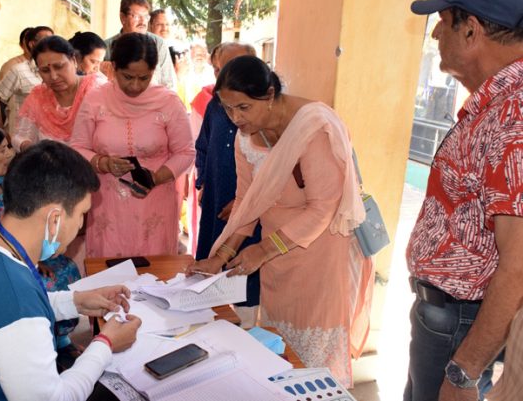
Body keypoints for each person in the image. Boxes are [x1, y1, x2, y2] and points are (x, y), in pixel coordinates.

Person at [188, 56, 374, 387]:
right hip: (275, 255)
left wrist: (262, 250)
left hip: (318, 254)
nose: (235, 118)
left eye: (243, 107)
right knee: (280, 349)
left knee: (313, 359)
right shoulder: (247, 136)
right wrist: (219, 258)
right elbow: (247, 203)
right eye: (228, 109)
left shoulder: (314, 127)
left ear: (270, 94)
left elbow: (323, 208)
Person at [0, 141, 142, 401]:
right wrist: (106, 344)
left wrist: (76, 301)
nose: (81, 224)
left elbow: (1, 308)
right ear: (54, 218)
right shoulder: (14, 302)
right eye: (82, 214)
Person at [404, 0, 523, 401]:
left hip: (461, 323)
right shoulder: (497, 103)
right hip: (444, 316)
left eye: (443, 24)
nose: (435, 36)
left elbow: (518, 263)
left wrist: (464, 372)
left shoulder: (514, 116)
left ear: (471, 30)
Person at [71, 33, 195, 257]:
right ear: (114, 67)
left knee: (152, 274)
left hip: (154, 200)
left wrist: (154, 178)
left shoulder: (168, 102)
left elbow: (185, 152)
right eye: (128, 77)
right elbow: (78, 146)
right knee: (108, 271)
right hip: (107, 204)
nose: (135, 86)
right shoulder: (96, 99)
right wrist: (103, 162)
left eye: (144, 78)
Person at [192, 43, 261, 327]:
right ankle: (213, 322)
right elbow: (203, 147)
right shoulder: (215, 105)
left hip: (252, 206)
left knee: (245, 267)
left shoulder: (263, 111)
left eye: (232, 68)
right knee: (212, 261)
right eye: (219, 70)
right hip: (217, 198)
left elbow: (271, 168)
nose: (224, 77)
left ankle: (245, 325)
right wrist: (204, 183)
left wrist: (245, 202)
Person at [12, 35, 106, 151]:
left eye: (59, 67)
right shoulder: (38, 97)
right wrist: (33, 149)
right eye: (45, 70)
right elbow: (20, 137)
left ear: (74, 61)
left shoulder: (96, 89)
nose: (54, 76)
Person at [0, 26, 54, 135]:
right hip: (20, 139)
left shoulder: (55, 72)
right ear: (32, 44)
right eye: (46, 40)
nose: (51, 45)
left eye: (53, 40)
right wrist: (1, 134)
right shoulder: (18, 70)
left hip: (45, 139)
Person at [102, 0, 177, 90]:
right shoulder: (105, 48)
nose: (142, 22)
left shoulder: (159, 44)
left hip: (152, 103)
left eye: (146, 17)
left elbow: (169, 84)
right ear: (123, 18)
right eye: (136, 16)